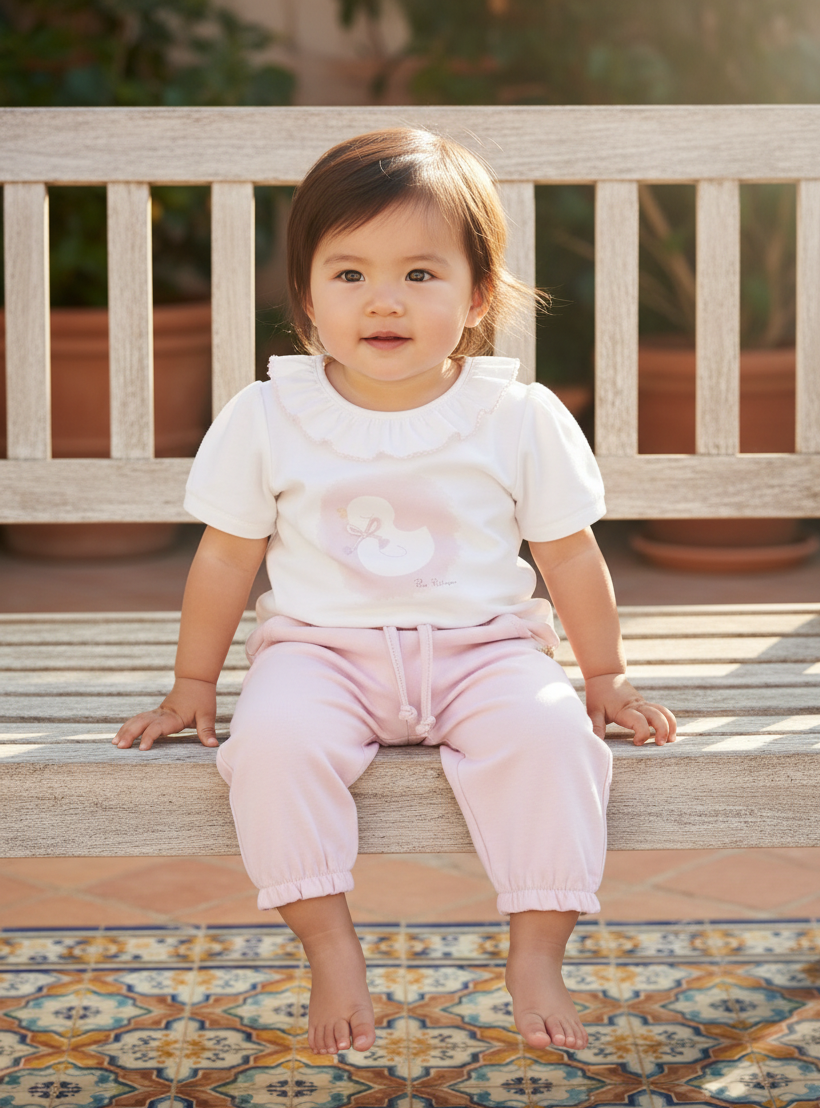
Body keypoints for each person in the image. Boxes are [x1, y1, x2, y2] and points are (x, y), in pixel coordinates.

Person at [115, 128, 676, 1059]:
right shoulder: (269, 416)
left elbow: (569, 555)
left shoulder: (515, 417)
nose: (385, 300)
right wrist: (192, 685)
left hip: (485, 652)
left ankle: (537, 952)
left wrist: (605, 675)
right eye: (350, 275)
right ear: (306, 295)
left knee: (552, 740)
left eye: (421, 274)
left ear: (478, 294)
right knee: (271, 747)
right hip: (322, 656)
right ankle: (329, 946)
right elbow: (224, 557)